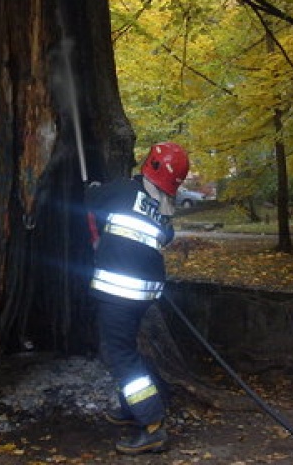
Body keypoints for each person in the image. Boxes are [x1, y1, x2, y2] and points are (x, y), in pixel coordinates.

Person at [85, 141, 190, 455]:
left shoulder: (124, 190)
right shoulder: (162, 209)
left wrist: (90, 188)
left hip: (119, 293)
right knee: (127, 348)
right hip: (144, 294)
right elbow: (166, 237)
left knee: (121, 356)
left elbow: (90, 199)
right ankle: (130, 407)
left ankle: (152, 424)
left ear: (150, 164)